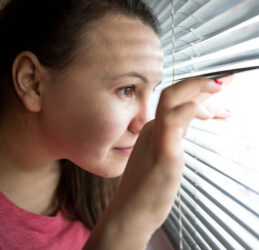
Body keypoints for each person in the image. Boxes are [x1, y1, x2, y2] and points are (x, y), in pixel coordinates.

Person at [0, 0, 232, 249]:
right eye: (127, 89)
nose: (144, 123)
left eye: (151, 91)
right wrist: (132, 221)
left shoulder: (96, 183)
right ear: (33, 82)